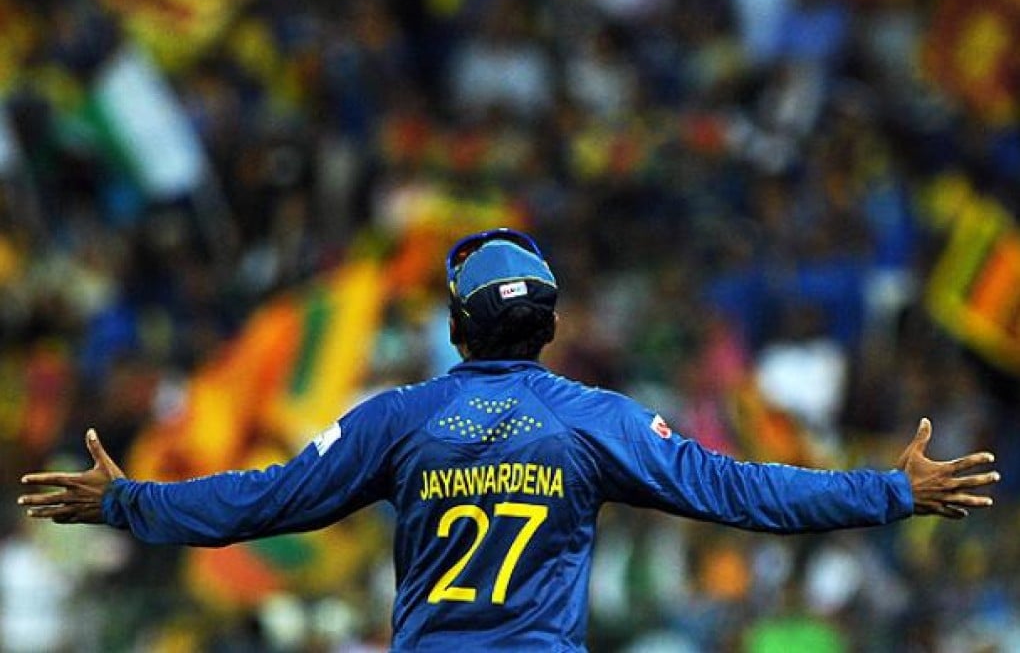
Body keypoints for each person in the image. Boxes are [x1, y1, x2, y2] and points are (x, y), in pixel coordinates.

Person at [19, 228, 999, 651]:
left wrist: (125, 500)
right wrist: (892, 490)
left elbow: (255, 503)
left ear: (455, 326)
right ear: (552, 327)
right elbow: (748, 493)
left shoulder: (396, 422)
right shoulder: (598, 422)